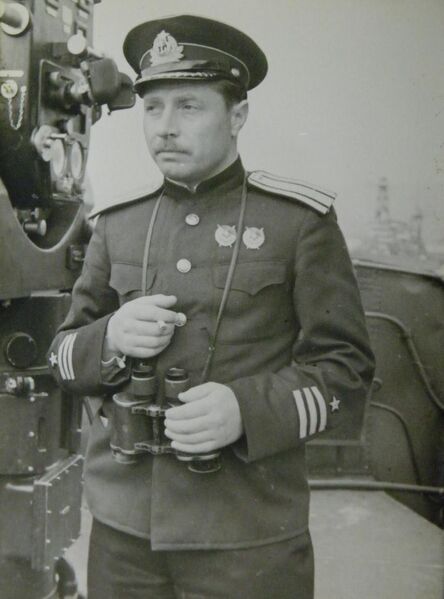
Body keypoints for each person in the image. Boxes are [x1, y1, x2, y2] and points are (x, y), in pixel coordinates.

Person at [48, 14, 375, 599]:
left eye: (189, 107)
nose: (165, 128)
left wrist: (246, 411)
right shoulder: (116, 224)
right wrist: (112, 337)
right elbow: (64, 357)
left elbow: (345, 371)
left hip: (249, 537)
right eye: (153, 108)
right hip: (124, 536)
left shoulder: (299, 223)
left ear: (237, 116)